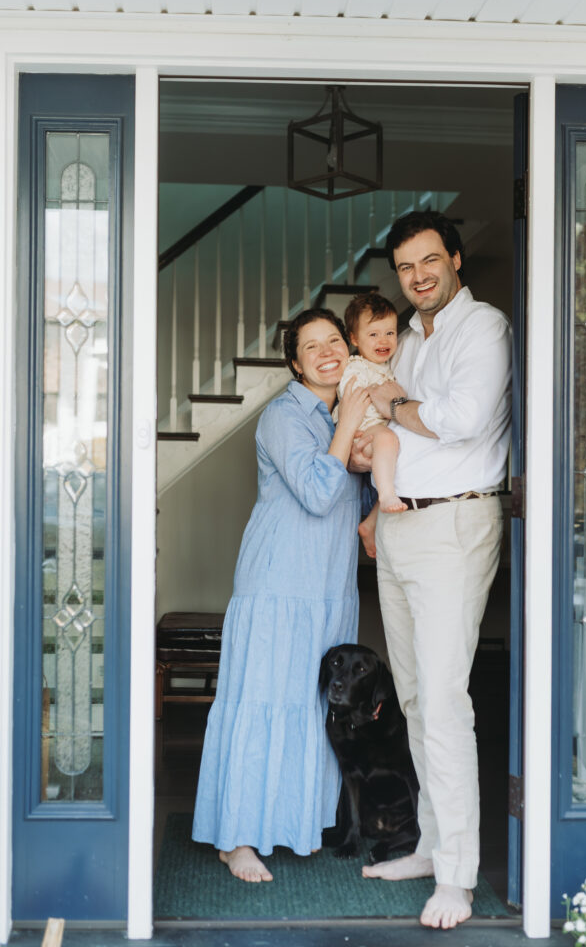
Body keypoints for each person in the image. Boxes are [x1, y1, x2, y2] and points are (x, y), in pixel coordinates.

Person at [354, 210, 512, 930]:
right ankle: (430, 843)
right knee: (415, 697)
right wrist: (374, 509)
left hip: (455, 522)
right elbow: (402, 435)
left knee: (445, 703)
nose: (417, 277)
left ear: (454, 258)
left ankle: (456, 877)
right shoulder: (408, 339)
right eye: (405, 267)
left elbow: (463, 420)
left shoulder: (484, 328)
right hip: (400, 522)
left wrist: (392, 400)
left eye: (428, 261)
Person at [192, 308, 371, 883]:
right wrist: (349, 419)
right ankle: (236, 839)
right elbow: (320, 493)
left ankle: (294, 824)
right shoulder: (283, 417)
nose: (326, 351)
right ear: (295, 364)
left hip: (329, 585)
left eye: (335, 341)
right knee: (261, 702)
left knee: (310, 705)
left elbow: (359, 504)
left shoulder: (346, 412)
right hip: (277, 584)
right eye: (311, 346)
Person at [335, 291, 407, 516]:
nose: (383, 340)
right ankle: (386, 496)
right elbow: (356, 402)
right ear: (354, 339)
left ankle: (372, 519)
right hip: (363, 431)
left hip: (379, 428)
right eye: (374, 334)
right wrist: (393, 403)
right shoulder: (356, 368)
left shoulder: (388, 365)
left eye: (390, 333)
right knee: (387, 439)